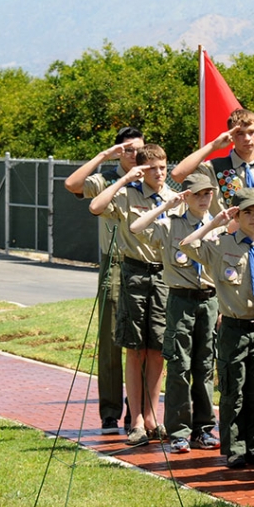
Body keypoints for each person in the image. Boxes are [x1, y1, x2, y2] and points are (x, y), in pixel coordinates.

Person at [180, 188, 254, 469]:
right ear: (236, 215)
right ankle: (235, 448)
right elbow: (187, 246)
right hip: (233, 329)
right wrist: (214, 223)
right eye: (247, 212)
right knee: (233, 390)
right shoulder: (221, 245)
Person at [88, 144, 174, 447]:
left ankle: (153, 416)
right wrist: (124, 180)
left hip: (163, 275)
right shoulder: (126, 194)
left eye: (164, 168)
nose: (160, 174)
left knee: (157, 350)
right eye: (153, 169)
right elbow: (95, 207)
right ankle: (135, 419)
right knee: (135, 348)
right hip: (134, 273)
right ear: (140, 169)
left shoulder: (170, 199)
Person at [129, 174, 222, 454]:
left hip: (209, 300)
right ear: (186, 196)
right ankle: (179, 431)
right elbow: (136, 227)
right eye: (197, 194)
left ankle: (203, 428)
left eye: (208, 193)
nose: (204, 199)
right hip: (180, 299)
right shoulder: (171, 225)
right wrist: (165, 206)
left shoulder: (216, 225)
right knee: (179, 366)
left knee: (205, 366)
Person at [63, 126, 144, 435]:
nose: (133, 153)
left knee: (144, 343)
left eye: (138, 147)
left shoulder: (153, 176)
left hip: (147, 267)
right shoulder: (107, 178)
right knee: (111, 340)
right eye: (126, 149)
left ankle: (138, 411)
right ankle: (111, 410)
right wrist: (102, 156)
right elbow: (73, 184)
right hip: (116, 266)